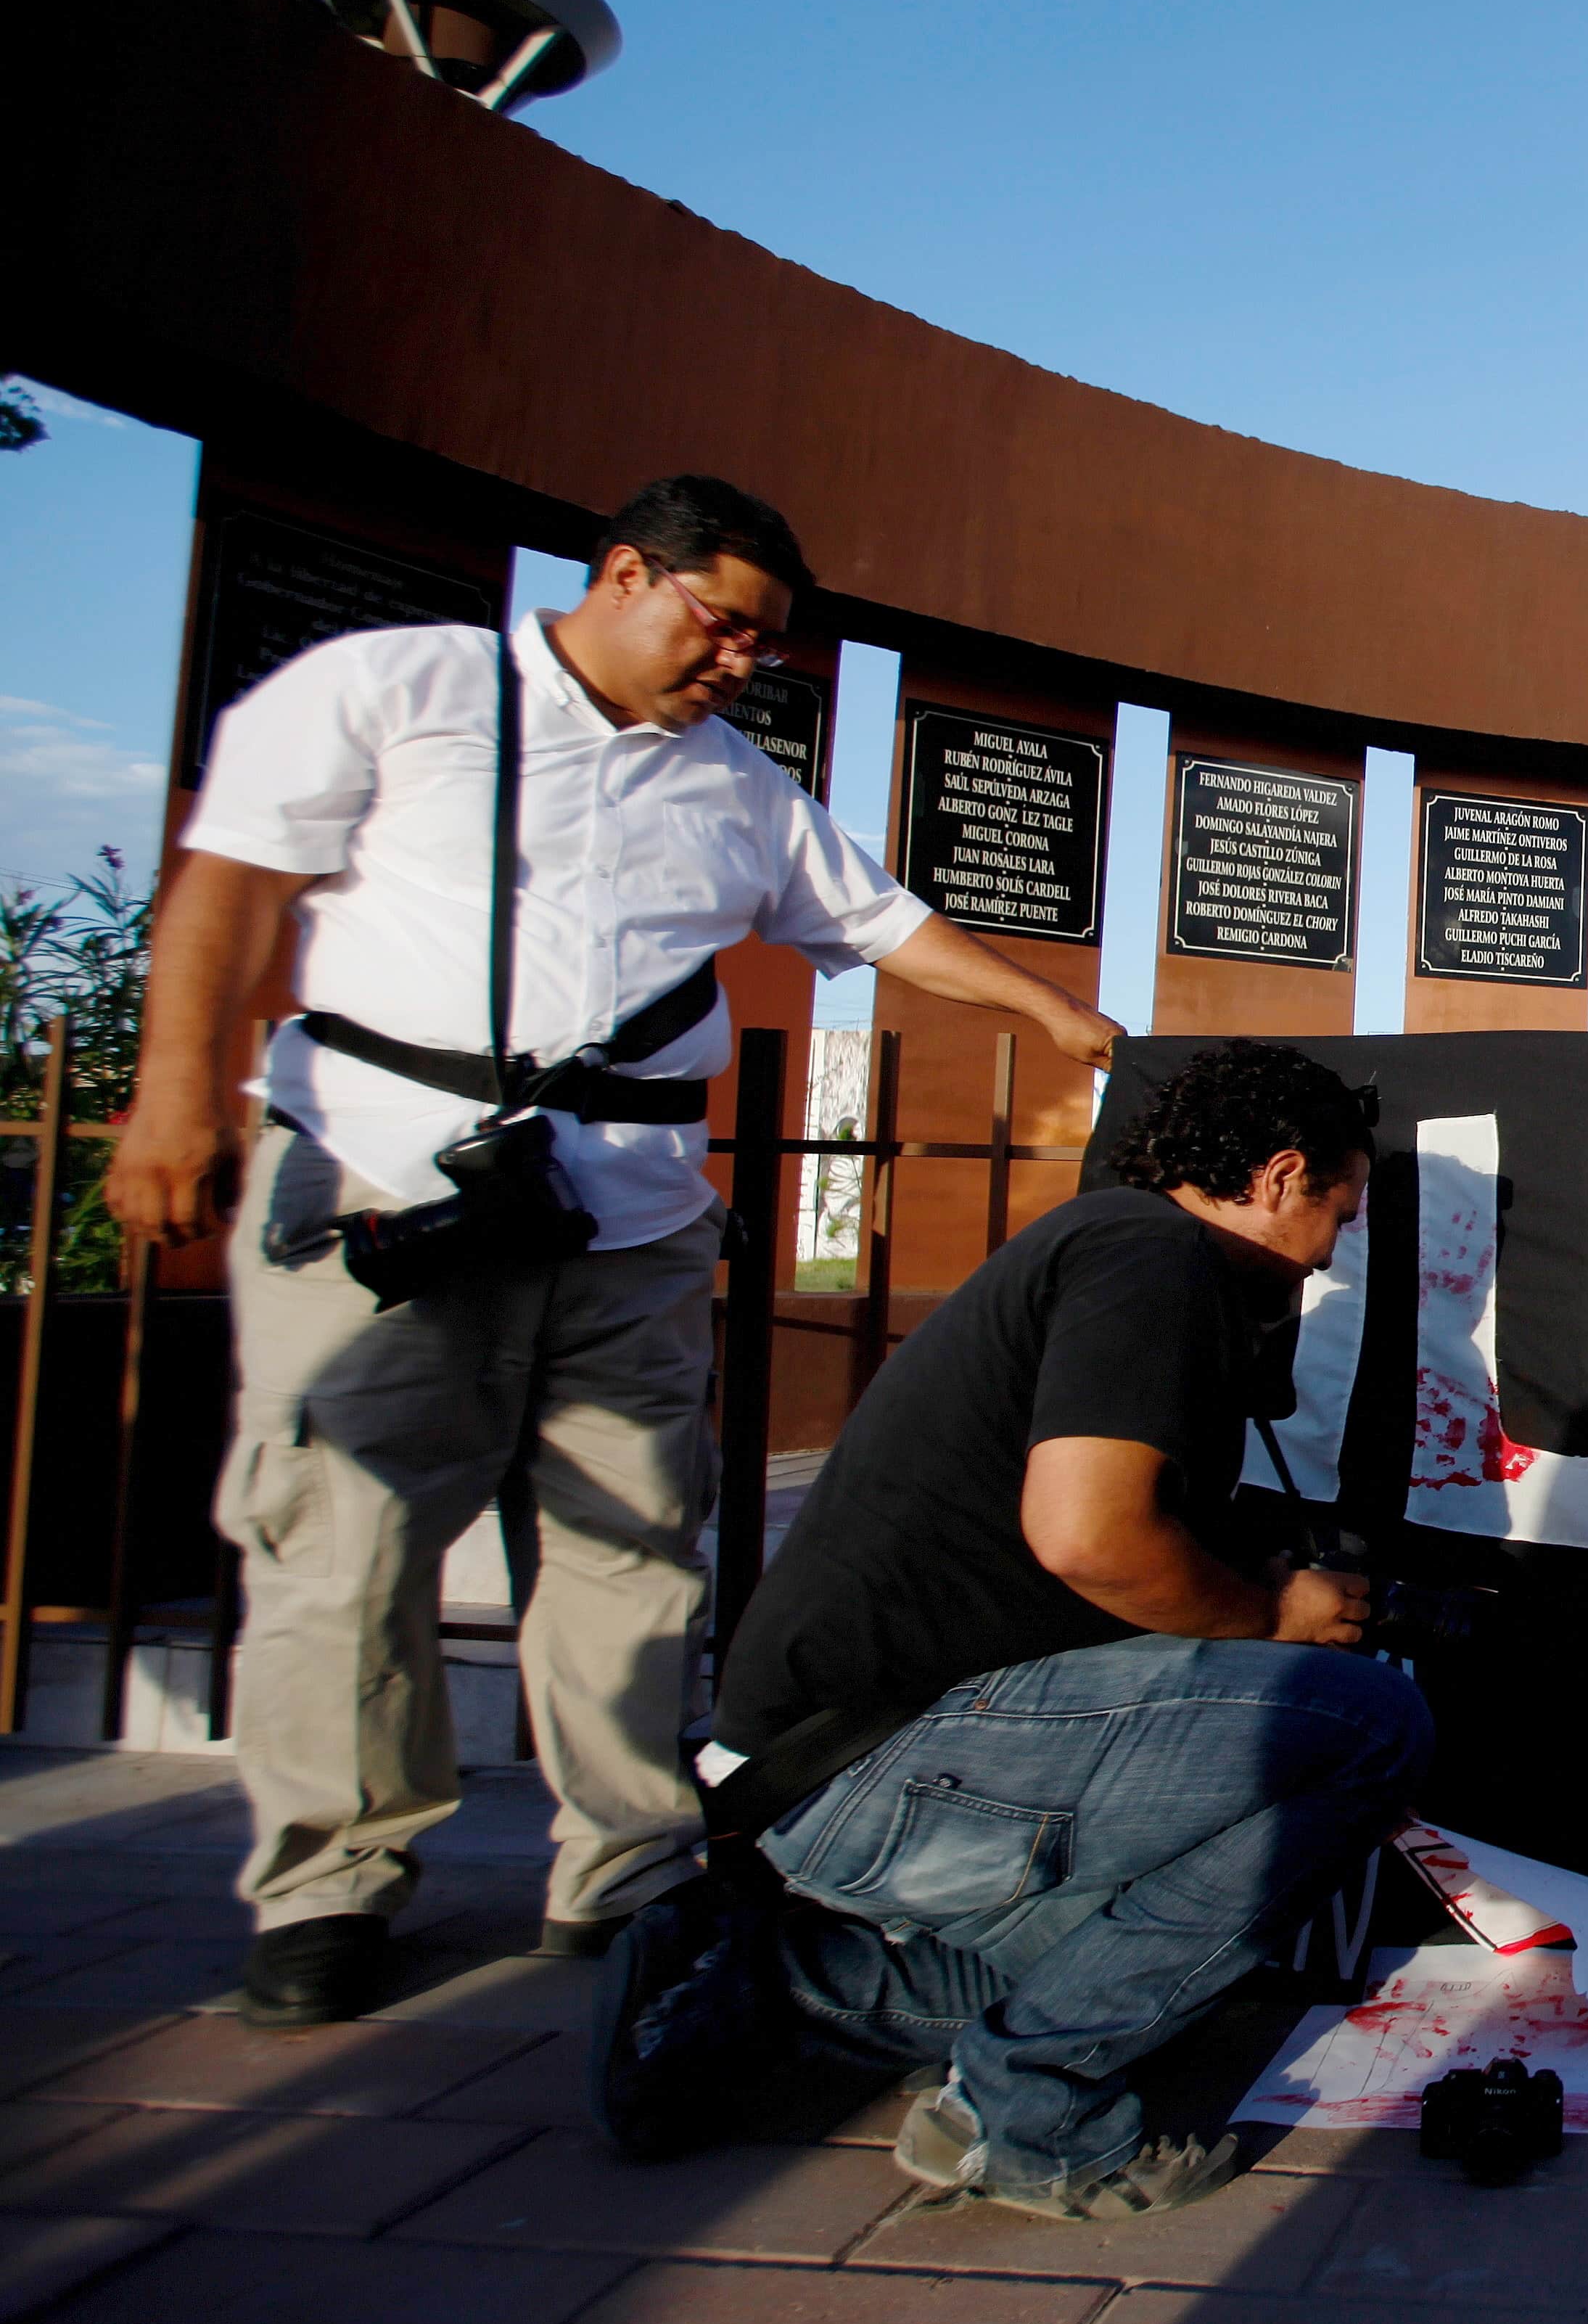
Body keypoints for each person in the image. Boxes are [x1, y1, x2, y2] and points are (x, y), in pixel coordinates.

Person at [107, 475, 1126, 2029]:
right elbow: (232, 884)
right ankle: (332, 1884)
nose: (742, 665)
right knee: (342, 1547)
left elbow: (880, 924)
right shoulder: (401, 687)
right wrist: (174, 1089)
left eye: (765, 649)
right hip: (390, 1184)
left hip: (628, 1211)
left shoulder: (736, 785)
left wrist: (1046, 1010)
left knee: (633, 1553)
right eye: (724, 627)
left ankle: (623, 1865)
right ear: (626, 572)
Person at [625, 1040, 1424, 2220]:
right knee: (1367, 1726)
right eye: (1338, 1209)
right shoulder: (1145, 1255)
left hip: (816, 1768)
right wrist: (1274, 1612)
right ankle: (1027, 2110)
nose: (1335, 1243)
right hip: (872, 1758)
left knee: (1162, 1957)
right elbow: (1089, 1537)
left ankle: (766, 1987)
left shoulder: (1103, 1253)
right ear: (1278, 1174)